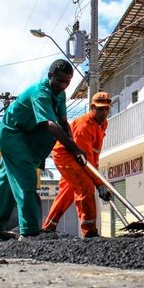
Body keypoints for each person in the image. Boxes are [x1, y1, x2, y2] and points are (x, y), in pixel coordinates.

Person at [0, 59, 87, 239]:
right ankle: (30, 232)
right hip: (13, 136)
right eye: (60, 81)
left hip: (27, 141)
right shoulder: (40, 93)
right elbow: (51, 125)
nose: (63, 85)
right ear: (50, 76)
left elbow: (62, 121)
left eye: (67, 82)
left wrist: (72, 143)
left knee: (5, 186)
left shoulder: (59, 94)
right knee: (25, 181)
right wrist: (74, 149)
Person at [42, 91, 114, 238]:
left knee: (67, 192)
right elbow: (86, 161)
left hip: (81, 157)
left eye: (107, 108)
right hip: (67, 156)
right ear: (92, 107)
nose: (104, 112)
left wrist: (99, 180)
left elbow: (93, 154)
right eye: (100, 109)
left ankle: (48, 228)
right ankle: (89, 231)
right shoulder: (84, 127)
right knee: (86, 187)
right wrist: (99, 184)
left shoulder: (102, 124)